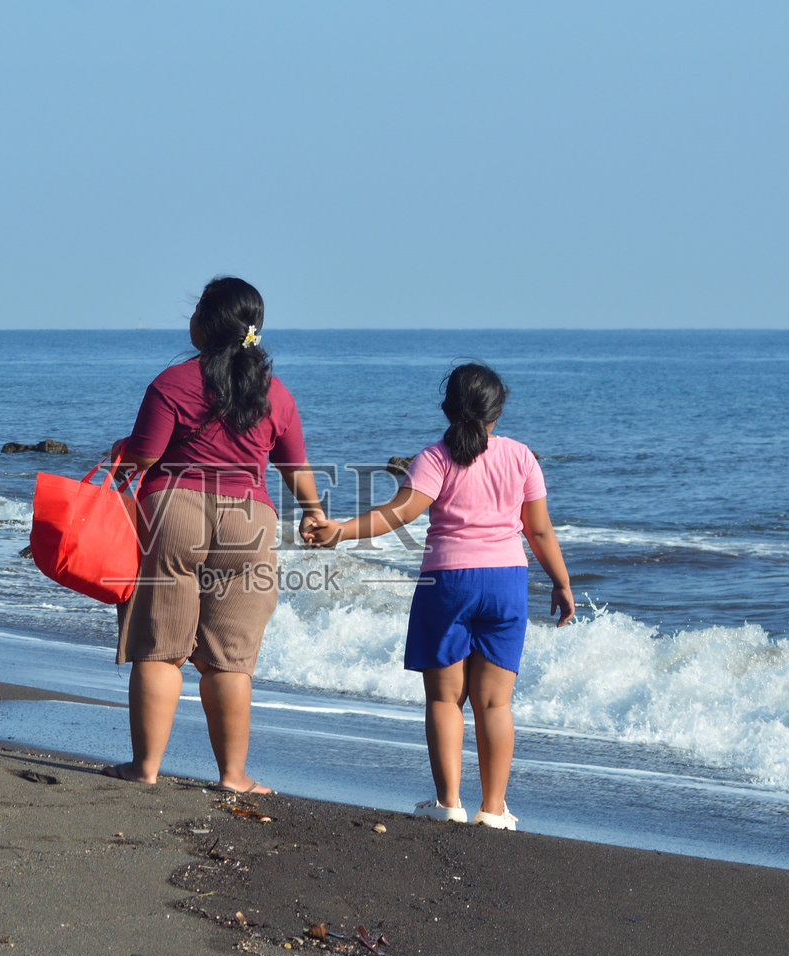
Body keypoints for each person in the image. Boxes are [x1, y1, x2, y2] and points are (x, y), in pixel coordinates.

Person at [305, 362, 574, 829]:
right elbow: (540, 530)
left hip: (448, 584)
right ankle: (494, 810)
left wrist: (341, 531)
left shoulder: (435, 456)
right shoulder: (521, 457)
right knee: (495, 703)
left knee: (445, 700)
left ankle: (449, 802)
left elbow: (400, 512)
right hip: (506, 581)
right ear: (498, 411)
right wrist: (562, 582)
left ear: (448, 407)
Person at [105, 277, 325, 794]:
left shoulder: (173, 382)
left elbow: (144, 456)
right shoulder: (277, 393)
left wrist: (120, 454)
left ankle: (146, 769)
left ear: (203, 322)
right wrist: (314, 512)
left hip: (175, 511)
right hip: (249, 520)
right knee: (230, 656)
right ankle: (233, 776)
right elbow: (296, 466)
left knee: (160, 648)